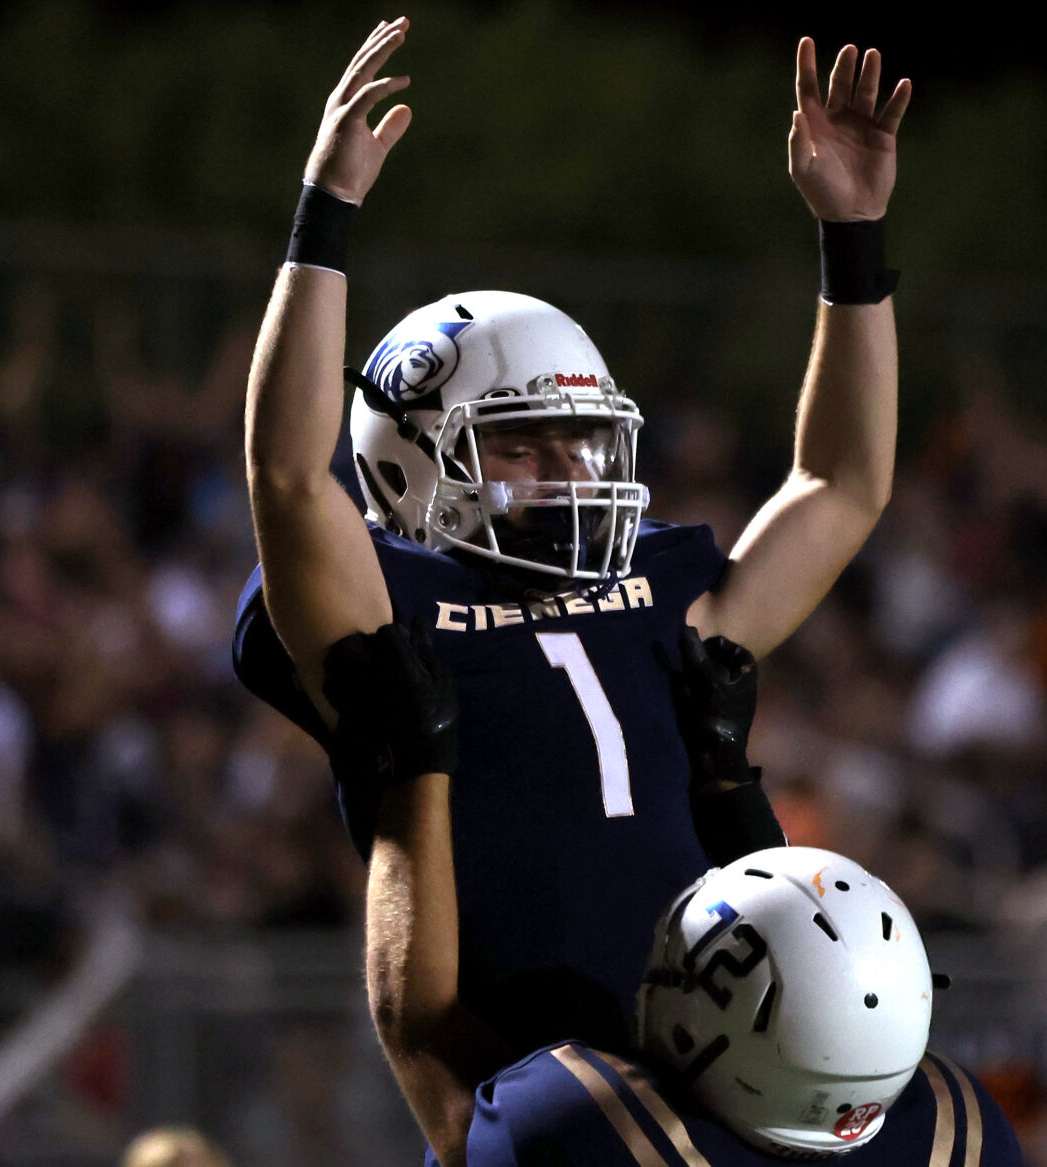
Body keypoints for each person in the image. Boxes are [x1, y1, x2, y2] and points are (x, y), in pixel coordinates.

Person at [234, 16, 911, 1056]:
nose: (567, 474)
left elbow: (843, 484)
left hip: (711, 1067)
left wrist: (853, 240)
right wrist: (324, 217)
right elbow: (284, 477)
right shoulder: (388, 603)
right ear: (406, 459)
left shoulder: (660, 582)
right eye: (521, 447)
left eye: (583, 444)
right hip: (524, 1082)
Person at [342, 620, 1024, 1167]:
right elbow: (800, 950)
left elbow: (425, 1035)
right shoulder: (960, 1127)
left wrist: (416, 773)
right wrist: (730, 781)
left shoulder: (581, 1126)